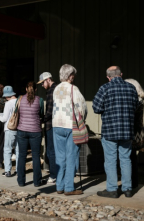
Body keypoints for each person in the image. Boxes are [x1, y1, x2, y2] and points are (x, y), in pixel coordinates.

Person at [93, 66, 139, 198]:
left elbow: (96, 108)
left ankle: (112, 189)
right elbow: (136, 106)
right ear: (121, 74)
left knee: (110, 160)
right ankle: (128, 189)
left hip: (110, 130)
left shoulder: (104, 88)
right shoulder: (131, 88)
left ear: (108, 77)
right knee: (126, 159)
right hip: (127, 130)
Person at [52, 64, 87, 195]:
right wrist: (83, 119)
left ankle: (59, 186)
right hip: (70, 124)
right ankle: (69, 188)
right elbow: (81, 106)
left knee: (60, 157)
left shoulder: (56, 89)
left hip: (56, 124)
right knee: (71, 156)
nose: (74, 77)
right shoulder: (73, 88)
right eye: (73, 75)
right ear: (70, 75)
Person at [16, 81, 45, 187]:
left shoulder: (20, 99)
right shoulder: (39, 100)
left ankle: (21, 181)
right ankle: (37, 182)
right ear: (35, 89)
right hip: (35, 131)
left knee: (22, 156)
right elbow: (41, 114)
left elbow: (17, 112)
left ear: (26, 89)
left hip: (22, 130)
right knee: (36, 156)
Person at [37, 72, 58, 184]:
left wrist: (42, 119)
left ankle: (54, 175)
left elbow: (50, 110)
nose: (42, 85)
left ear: (48, 80)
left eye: (42, 83)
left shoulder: (51, 91)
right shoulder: (58, 88)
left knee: (51, 151)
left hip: (51, 125)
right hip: (58, 124)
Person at [125, 79, 144, 189]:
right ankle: (133, 182)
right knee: (131, 157)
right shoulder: (140, 100)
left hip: (133, 131)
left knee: (130, 157)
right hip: (137, 130)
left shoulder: (136, 101)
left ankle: (132, 182)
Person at [0, 86, 18, 177]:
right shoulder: (19, 101)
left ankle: (8, 171)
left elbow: (4, 118)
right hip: (19, 128)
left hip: (9, 128)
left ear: (6, 96)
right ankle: (18, 170)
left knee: (7, 150)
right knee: (18, 150)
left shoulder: (8, 103)